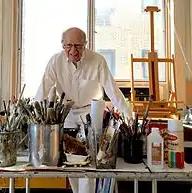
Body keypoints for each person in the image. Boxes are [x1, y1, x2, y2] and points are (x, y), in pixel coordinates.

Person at [35, 27, 133, 193]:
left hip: (92, 113)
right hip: (66, 114)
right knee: (71, 163)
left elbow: (113, 91)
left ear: (85, 44)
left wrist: (128, 118)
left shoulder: (97, 60)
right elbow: (42, 91)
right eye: (69, 46)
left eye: (78, 46)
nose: (73, 51)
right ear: (62, 45)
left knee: (92, 162)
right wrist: (34, 118)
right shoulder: (55, 61)